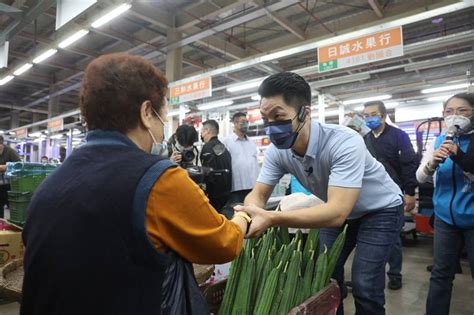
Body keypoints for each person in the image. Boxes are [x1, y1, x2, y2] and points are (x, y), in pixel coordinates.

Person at [21, 53, 251, 315]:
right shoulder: (160, 179)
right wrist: (241, 217)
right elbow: (224, 243)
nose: (164, 127)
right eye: (162, 116)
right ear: (145, 113)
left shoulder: (50, 186)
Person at [236, 72, 404, 315]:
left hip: (380, 210)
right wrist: (248, 213)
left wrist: (272, 218)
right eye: (265, 118)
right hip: (339, 211)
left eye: (279, 117)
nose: (271, 126)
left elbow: (336, 213)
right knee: (322, 275)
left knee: (365, 283)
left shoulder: (343, 141)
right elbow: (258, 194)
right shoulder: (277, 151)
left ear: (305, 112)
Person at [417, 93, 473, 315]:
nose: (454, 116)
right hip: (445, 219)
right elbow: (421, 177)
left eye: (462, 111)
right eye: (449, 111)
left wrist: (459, 155)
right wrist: (432, 163)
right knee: (440, 274)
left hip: (472, 218)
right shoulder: (440, 140)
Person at [362, 100, 419, 290]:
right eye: (366, 115)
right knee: (372, 239)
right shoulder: (365, 140)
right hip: (371, 196)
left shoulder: (399, 136)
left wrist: (410, 192)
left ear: (384, 116)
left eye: (373, 114)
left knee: (393, 238)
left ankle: (395, 274)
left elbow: (409, 164)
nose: (370, 118)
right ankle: (374, 275)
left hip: (395, 195)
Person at [223, 112, 260, 205]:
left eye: (247, 122)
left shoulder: (251, 142)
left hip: (253, 187)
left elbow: (255, 163)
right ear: (235, 123)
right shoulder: (226, 142)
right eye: (243, 122)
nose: (246, 124)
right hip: (236, 188)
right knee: (238, 214)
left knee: (254, 213)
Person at [200, 120, 232, 215]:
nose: (201, 135)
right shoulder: (222, 147)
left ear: (207, 131)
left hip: (214, 195)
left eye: (202, 132)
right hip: (226, 193)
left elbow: (208, 173)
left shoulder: (207, 147)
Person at [0, 135, 21, 217]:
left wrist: (5, 167)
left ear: (2, 144)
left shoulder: (10, 152)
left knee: (13, 207)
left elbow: (19, 165)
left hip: (10, 185)